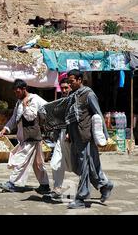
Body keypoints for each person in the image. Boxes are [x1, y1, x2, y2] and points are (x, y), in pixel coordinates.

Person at [65, 70, 114, 209]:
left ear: (80, 80)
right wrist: (68, 132)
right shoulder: (72, 95)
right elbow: (70, 117)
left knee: (85, 166)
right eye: (68, 81)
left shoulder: (89, 94)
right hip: (75, 137)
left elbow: (98, 114)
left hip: (85, 136)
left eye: (72, 81)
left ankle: (81, 198)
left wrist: (105, 136)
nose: (70, 83)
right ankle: (105, 186)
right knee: (85, 166)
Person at [0, 79, 50, 194]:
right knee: (38, 163)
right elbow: (14, 118)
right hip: (24, 137)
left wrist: (26, 106)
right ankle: (45, 185)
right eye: (15, 92)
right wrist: (5, 128)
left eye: (18, 92)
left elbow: (32, 116)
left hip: (31, 136)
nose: (16, 94)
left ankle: (12, 183)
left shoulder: (34, 99)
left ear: (24, 89)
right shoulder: (18, 102)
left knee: (21, 160)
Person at [46, 78, 73, 199]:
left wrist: (70, 132)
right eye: (62, 88)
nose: (64, 90)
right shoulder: (61, 101)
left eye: (66, 87)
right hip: (61, 136)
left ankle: (102, 183)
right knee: (56, 162)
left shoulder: (75, 101)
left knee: (80, 165)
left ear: (71, 87)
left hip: (73, 137)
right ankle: (57, 187)